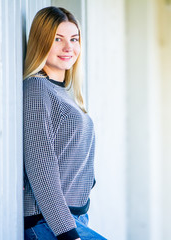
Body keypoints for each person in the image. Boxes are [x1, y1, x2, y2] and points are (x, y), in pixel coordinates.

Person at [23, 6, 107, 240]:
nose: (68, 47)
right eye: (57, 39)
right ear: (41, 42)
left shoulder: (64, 93)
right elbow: (41, 167)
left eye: (74, 39)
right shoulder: (37, 89)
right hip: (49, 223)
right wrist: (68, 233)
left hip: (72, 219)